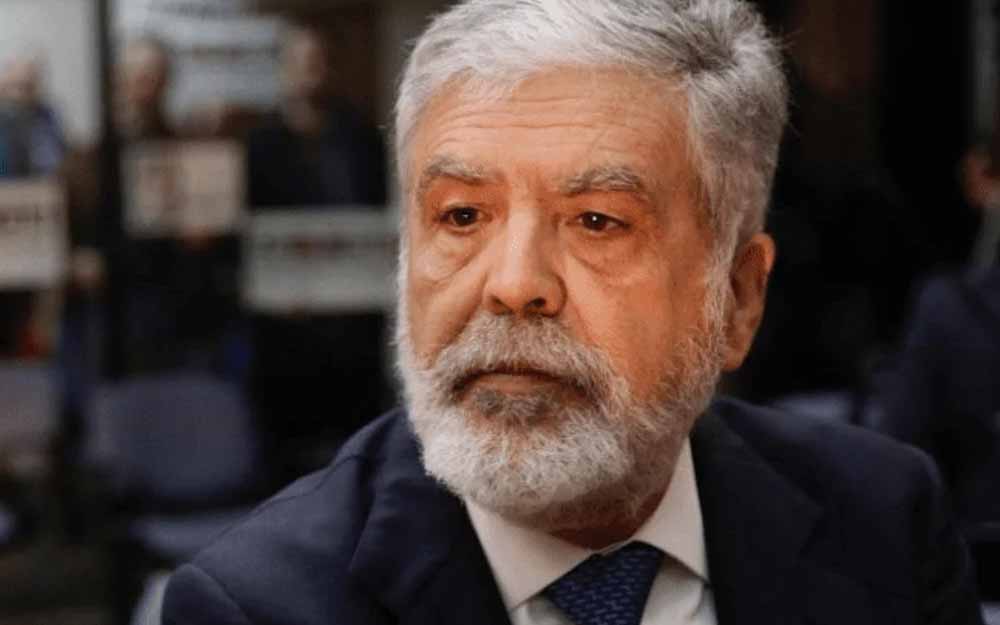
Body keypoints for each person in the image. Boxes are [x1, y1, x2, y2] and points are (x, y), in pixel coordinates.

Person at [162, 1, 984, 624]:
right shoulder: (259, 605)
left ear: (737, 299)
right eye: (461, 216)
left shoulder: (885, 522)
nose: (514, 284)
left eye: (597, 220)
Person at [245, 21, 390, 484]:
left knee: (357, 449)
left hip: (352, 320)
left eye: (319, 61)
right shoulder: (257, 143)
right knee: (286, 451)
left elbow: (377, 215)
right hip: (284, 324)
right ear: (281, 69)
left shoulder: (361, 137)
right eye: (300, 61)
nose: (311, 71)